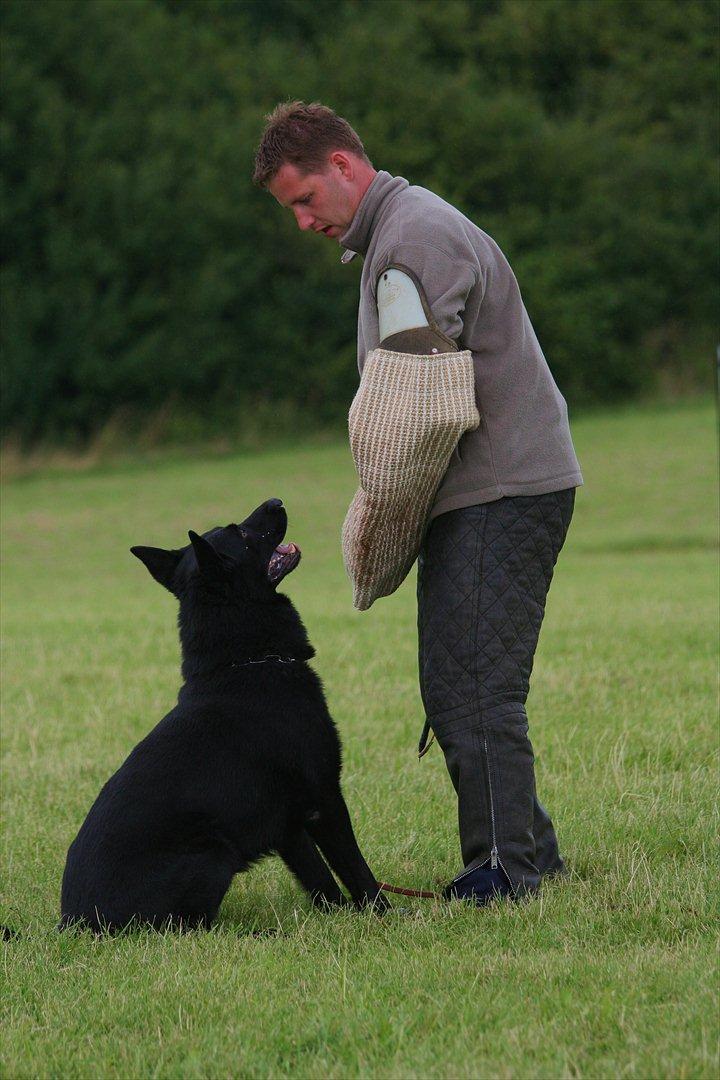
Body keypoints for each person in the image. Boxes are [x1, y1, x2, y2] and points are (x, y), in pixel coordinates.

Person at [253, 101, 583, 905]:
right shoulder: (399, 232)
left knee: (473, 687)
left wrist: (377, 520)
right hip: (490, 488)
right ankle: (530, 849)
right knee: (461, 679)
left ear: (341, 166)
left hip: (499, 490)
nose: (302, 223)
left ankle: (509, 871)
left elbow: (422, 402)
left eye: (303, 200)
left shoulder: (412, 237)